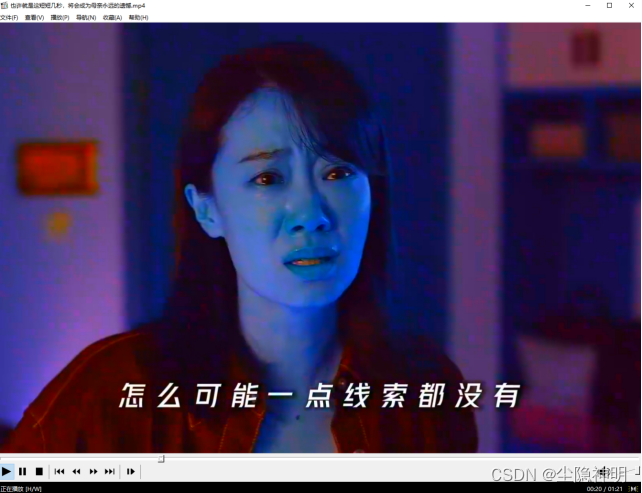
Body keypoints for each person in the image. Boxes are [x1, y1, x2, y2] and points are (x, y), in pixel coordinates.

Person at [1, 42, 477, 453]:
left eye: (336, 172)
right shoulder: (108, 394)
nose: (311, 213)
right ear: (206, 209)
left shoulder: (424, 393)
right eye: (267, 178)